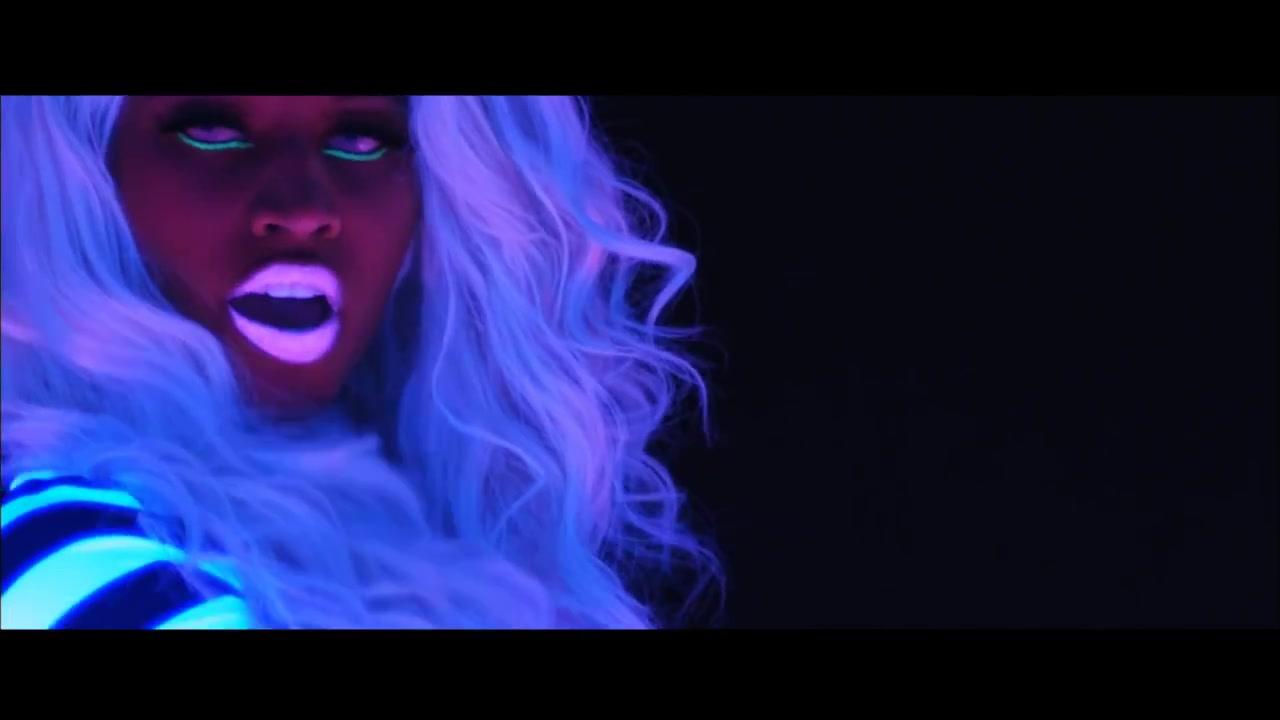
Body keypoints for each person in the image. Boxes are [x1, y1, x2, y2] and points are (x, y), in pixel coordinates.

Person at [0, 95, 721, 629]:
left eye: (360, 138)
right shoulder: (65, 553)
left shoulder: (444, 545)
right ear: (77, 180)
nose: (304, 205)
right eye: (212, 129)